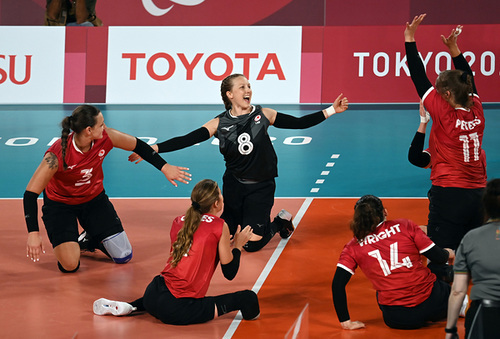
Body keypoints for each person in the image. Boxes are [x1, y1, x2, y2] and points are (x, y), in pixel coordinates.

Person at [129, 73, 349, 252]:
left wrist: (331, 110)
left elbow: (299, 123)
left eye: (249, 86)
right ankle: (243, 219)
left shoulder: (264, 114)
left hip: (261, 187)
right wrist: (154, 148)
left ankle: (280, 222)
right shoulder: (219, 123)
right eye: (242, 87)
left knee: (252, 245)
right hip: (234, 185)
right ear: (230, 94)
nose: (248, 90)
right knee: (223, 236)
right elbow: (189, 138)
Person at [24, 104, 191, 273]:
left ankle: (89, 238)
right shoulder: (56, 156)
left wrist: (165, 167)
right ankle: (70, 241)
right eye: (101, 125)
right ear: (88, 130)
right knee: (70, 265)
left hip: (93, 200)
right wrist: (33, 233)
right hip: (60, 205)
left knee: (123, 255)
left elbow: (138, 145)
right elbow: (30, 194)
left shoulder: (106, 137)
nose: (105, 128)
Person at [93, 179, 260, 325]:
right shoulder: (219, 225)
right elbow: (229, 273)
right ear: (216, 203)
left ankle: (131, 306)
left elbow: (196, 244)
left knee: (165, 296)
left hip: (153, 292)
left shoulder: (179, 221)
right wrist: (237, 245)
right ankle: (133, 306)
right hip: (178, 309)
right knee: (248, 298)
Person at [404, 15, 486, 279]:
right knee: (471, 246)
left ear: (447, 96)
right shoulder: (478, 110)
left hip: (449, 192)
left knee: (441, 254)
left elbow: (419, 77)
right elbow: (469, 79)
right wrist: (455, 51)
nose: (437, 95)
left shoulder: (445, 115)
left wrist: (409, 39)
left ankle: (446, 299)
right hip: (478, 193)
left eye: (440, 93)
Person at [332, 195, 455, 330]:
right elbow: (439, 257)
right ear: (385, 212)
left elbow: (337, 285)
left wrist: (345, 321)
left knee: (381, 291)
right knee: (442, 279)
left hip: (397, 318)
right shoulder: (405, 225)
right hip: (431, 303)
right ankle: (460, 306)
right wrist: (449, 253)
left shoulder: (352, 247)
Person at [445, 179, 500, 339]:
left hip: (484, 315)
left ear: (485, 206)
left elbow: (458, 291)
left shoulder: (470, 239)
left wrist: (450, 330)